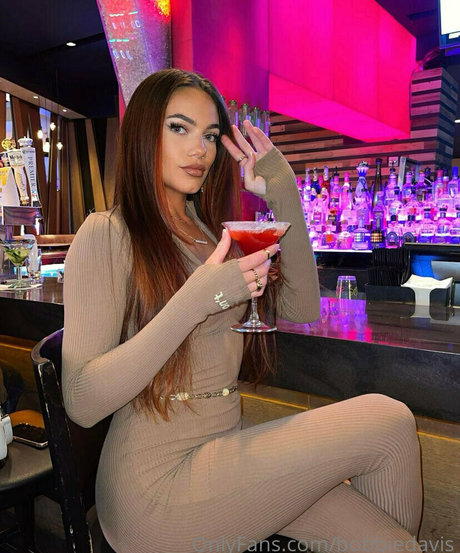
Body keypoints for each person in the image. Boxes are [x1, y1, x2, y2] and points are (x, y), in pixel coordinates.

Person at [62, 69, 423, 553]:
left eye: (211, 135)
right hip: (154, 488)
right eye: (179, 127)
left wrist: (283, 189)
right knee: (388, 420)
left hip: (223, 455)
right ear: (144, 131)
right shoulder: (107, 233)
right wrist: (198, 298)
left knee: (391, 542)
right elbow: (81, 402)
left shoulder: (213, 235)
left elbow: (302, 306)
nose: (200, 149)